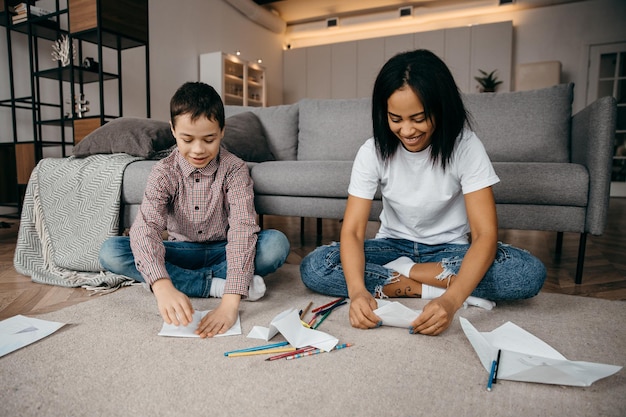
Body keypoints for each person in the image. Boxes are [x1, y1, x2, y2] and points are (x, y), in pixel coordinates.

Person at [300, 49, 546, 336]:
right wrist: (356, 293)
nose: (407, 130)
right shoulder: (373, 150)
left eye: (419, 118)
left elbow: (484, 235)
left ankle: (404, 276)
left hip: (450, 251)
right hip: (392, 246)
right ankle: (435, 286)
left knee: (527, 273)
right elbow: (353, 231)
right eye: (396, 118)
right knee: (316, 266)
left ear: (440, 108)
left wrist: (451, 302)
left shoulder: (465, 146)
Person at [99, 81, 290, 338]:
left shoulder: (234, 169)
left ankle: (209, 285)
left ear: (222, 131)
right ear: (173, 130)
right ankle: (214, 285)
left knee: (275, 244)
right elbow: (146, 228)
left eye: (208, 139)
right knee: (111, 251)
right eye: (187, 139)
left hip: (225, 250)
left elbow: (243, 229)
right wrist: (163, 286)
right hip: (181, 251)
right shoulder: (164, 171)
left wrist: (230, 304)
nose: (198, 150)